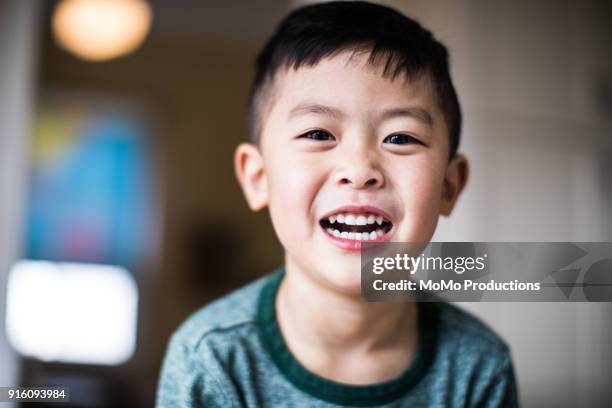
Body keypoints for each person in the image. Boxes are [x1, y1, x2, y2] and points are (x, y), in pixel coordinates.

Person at [156, 2, 519, 406]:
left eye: (400, 138)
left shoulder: (479, 365)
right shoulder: (211, 359)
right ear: (258, 178)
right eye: (317, 133)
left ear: (449, 187)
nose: (360, 169)